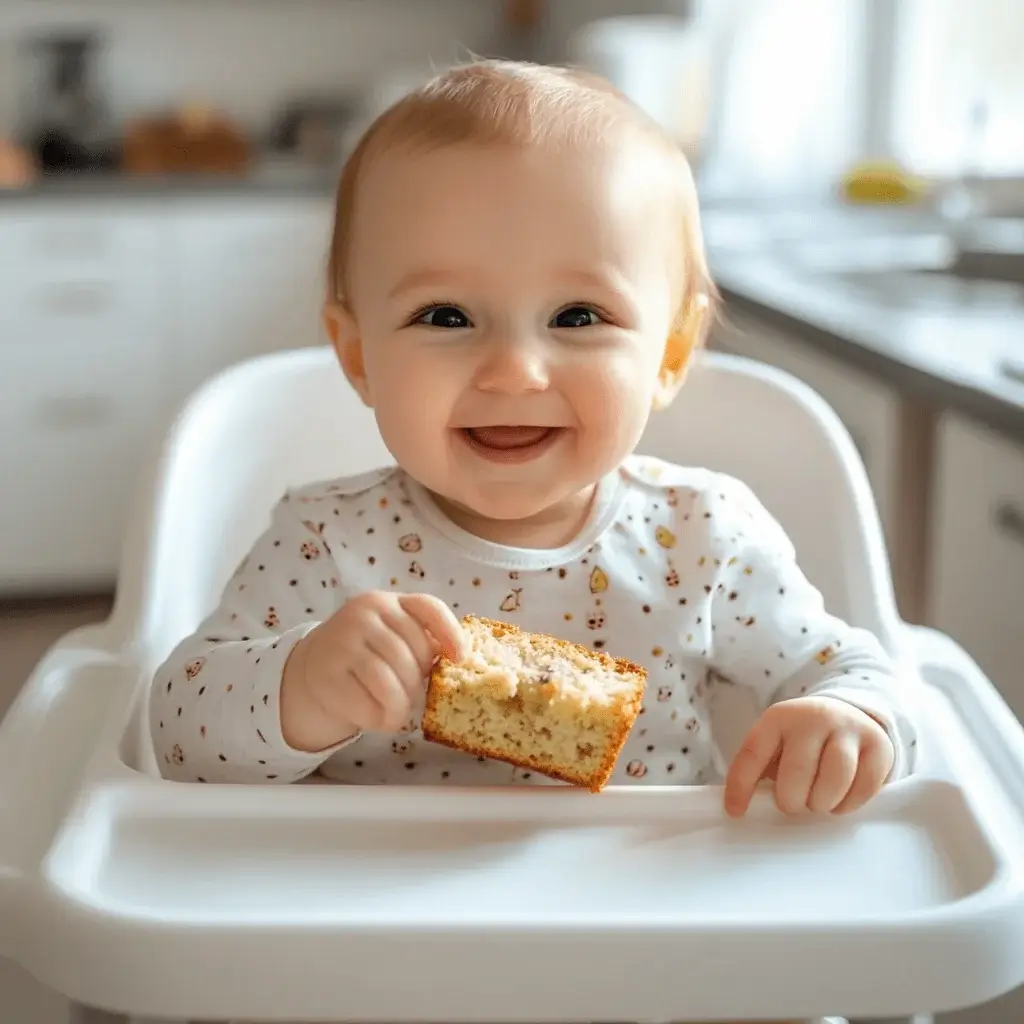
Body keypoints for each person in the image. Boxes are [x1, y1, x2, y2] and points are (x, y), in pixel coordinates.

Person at [150, 59, 917, 819]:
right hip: (373, 915)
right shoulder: (327, 543)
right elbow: (176, 734)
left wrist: (854, 723)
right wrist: (302, 684)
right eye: (445, 316)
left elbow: (856, 668)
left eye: (577, 317)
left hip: (639, 907)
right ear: (358, 358)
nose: (514, 372)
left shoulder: (701, 538)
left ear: (670, 355)